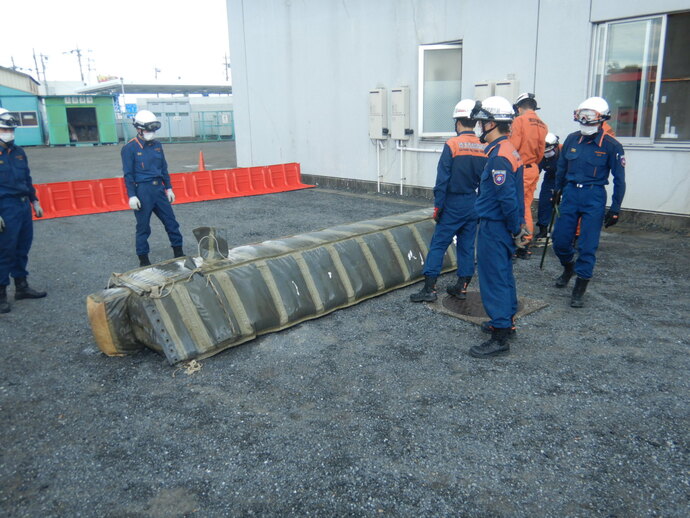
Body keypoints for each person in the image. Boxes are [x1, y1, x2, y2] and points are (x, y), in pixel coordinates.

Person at [551, 96, 625, 308]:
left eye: (589, 116)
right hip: (571, 194)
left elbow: (620, 180)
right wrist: (557, 190)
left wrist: (616, 208)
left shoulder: (612, 146)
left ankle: (579, 288)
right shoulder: (572, 140)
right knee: (560, 240)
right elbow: (562, 168)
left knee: (587, 245)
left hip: (594, 197)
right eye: (581, 115)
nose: (584, 120)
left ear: (601, 119)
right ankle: (568, 267)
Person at [468, 96, 528, 358]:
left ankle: (500, 335)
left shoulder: (499, 157)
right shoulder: (507, 150)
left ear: (492, 123)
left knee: (494, 279)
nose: (480, 128)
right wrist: (518, 226)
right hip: (501, 224)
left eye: (483, 123)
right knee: (504, 275)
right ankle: (507, 321)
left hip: (495, 226)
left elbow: (506, 197)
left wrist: (516, 229)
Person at [410, 99, 486, 302]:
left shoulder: (452, 144)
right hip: (473, 201)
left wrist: (439, 206)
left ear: (458, 122)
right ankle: (462, 287)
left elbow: (442, 179)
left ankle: (429, 289)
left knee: (439, 244)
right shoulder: (482, 146)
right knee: (467, 245)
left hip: (453, 202)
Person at [121, 110, 184, 267]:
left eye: (154, 130)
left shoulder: (157, 145)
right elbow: (128, 174)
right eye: (149, 130)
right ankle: (144, 260)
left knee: (171, 222)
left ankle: (179, 253)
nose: (152, 133)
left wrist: (169, 188)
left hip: (159, 190)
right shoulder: (129, 148)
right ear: (139, 129)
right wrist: (132, 196)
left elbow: (163, 168)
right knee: (143, 227)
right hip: (143, 191)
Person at [0, 108, 47, 313]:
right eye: (4, 129)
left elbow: (26, 179)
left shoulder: (19, 152)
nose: (9, 132)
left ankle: (21, 286)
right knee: (5, 250)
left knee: (22, 247)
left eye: (11, 129)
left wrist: (34, 200)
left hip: (22, 205)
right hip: (4, 206)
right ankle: (1, 293)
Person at [509, 92, 548, 259]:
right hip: (533, 168)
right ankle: (526, 240)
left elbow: (513, 147)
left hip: (520, 168)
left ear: (519, 108)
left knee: (520, 206)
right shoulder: (542, 125)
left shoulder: (519, 121)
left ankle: (523, 242)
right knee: (527, 204)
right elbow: (541, 152)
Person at [534, 132, 560, 242]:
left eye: (548, 150)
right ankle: (543, 229)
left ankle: (564, 232)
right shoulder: (541, 155)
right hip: (550, 178)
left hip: (566, 178)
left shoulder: (564, 152)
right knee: (544, 202)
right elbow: (536, 171)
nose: (546, 153)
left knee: (564, 206)